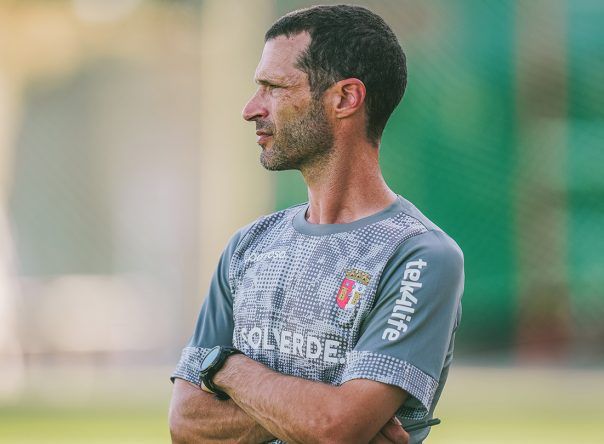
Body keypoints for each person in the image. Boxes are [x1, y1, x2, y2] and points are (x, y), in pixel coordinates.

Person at [169, 5, 464, 444]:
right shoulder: (248, 246)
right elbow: (186, 423)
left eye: (274, 87)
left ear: (345, 99)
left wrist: (225, 368)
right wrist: (323, 406)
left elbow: (335, 429)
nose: (251, 109)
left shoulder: (420, 255)